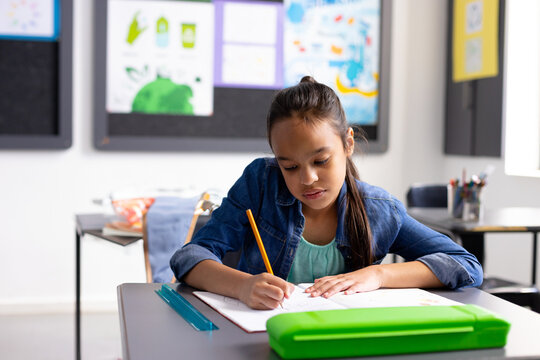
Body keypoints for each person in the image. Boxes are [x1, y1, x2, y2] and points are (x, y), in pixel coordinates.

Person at [170, 76, 483, 310]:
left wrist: (378, 274)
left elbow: (465, 265)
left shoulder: (379, 210)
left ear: (348, 144)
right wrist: (243, 287)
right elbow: (190, 257)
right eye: (289, 166)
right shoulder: (260, 183)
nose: (307, 179)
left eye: (321, 160)